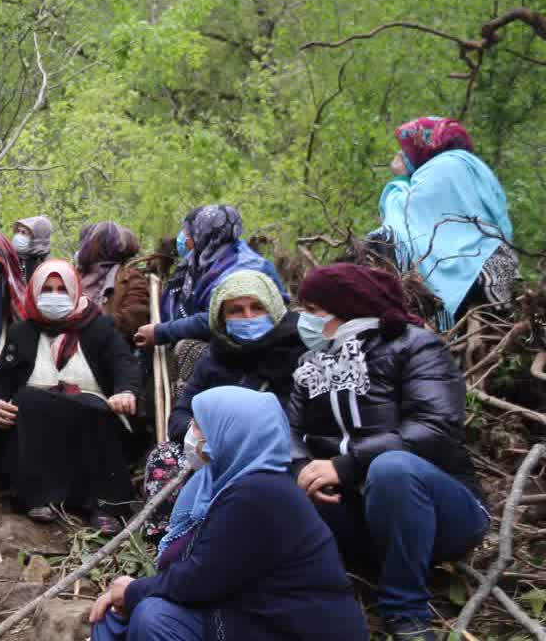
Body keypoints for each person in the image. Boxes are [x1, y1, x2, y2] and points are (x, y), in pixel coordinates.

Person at [285, 264, 487, 641]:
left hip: (441, 514)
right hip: (359, 518)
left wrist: (347, 465)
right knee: (275, 481)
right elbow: (291, 431)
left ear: (342, 307)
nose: (304, 319)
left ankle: (406, 615)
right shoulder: (309, 365)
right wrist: (301, 468)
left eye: (312, 309)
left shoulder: (415, 345)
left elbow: (435, 427)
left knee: (392, 468)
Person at [88, 387, 368, 641]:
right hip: (254, 614)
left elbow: (198, 579)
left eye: (199, 426)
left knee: (156, 618)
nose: (190, 432)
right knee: (126, 616)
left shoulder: (260, 494)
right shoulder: (217, 485)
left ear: (230, 434)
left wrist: (132, 591)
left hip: (295, 629)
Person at [0, 259, 139, 533]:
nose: (55, 296)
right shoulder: (21, 332)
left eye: (62, 289)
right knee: (27, 401)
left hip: (90, 408)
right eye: (47, 289)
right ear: (34, 292)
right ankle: (40, 496)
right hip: (36, 413)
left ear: (74, 292)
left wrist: (125, 392)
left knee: (94, 409)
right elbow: (2, 379)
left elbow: (124, 363)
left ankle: (105, 505)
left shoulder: (100, 328)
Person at [376, 116, 514, 328]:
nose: (403, 155)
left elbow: (401, 217)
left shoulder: (444, 167)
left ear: (422, 146)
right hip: (493, 268)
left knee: (380, 241)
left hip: (473, 272)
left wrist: (400, 179)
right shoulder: (470, 166)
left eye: (407, 149)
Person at [136, 205, 281, 380]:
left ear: (202, 235)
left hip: (247, 346)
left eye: (188, 233)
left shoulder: (241, 268)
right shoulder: (203, 261)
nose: (184, 238)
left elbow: (214, 318)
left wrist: (162, 331)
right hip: (224, 342)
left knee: (188, 350)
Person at [167, 270, 304, 445]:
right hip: (210, 449)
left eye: (258, 307)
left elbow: (298, 423)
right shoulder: (214, 358)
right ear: (222, 319)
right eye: (236, 310)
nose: (249, 316)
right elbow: (178, 417)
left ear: (274, 309)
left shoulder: (298, 355)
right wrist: (198, 433)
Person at [11, 216, 53, 281]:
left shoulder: (49, 267)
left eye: (23, 232)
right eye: (18, 231)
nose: (18, 236)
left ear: (36, 236)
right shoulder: (14, 260)